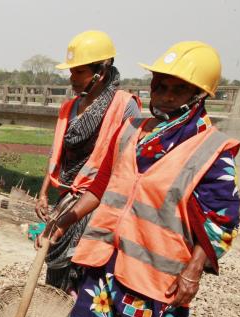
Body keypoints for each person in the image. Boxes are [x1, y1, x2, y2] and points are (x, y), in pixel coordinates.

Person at [39, 42, 240, 317]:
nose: (163, 96)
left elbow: (222, 220)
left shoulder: (212, 149)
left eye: (175, 89)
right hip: (106, 254)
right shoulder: (132, 130)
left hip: (155, 266)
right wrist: (64, 219)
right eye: (158, 85)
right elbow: (100, 186)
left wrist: (194, 271)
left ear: (199, 96)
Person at [35, 30, 141, 296]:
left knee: (84, 269)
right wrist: (43, 192)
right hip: (67, 198)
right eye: (71, 72)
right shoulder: (69, 108)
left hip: (101, 203)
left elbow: (123, 171)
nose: (71, 78)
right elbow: (56, 153)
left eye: (78, 72)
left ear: (100, 73)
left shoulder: (124, 107)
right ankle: (55, 314)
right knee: (55, 262)